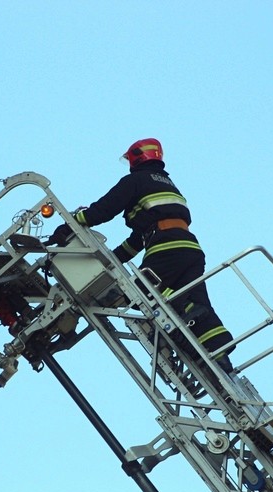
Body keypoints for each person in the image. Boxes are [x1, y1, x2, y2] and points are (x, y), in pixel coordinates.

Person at [53, 138, 235, 373]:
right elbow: (138, 239)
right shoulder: (167, 185)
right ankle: (220, 357)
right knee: (198, 300)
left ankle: (186, 309)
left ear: (137, 157)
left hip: (166, 247)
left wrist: (72, 223)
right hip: (189, 248)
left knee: (140, 290)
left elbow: (104, 209)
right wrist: (113, 259)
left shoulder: (136, 181)